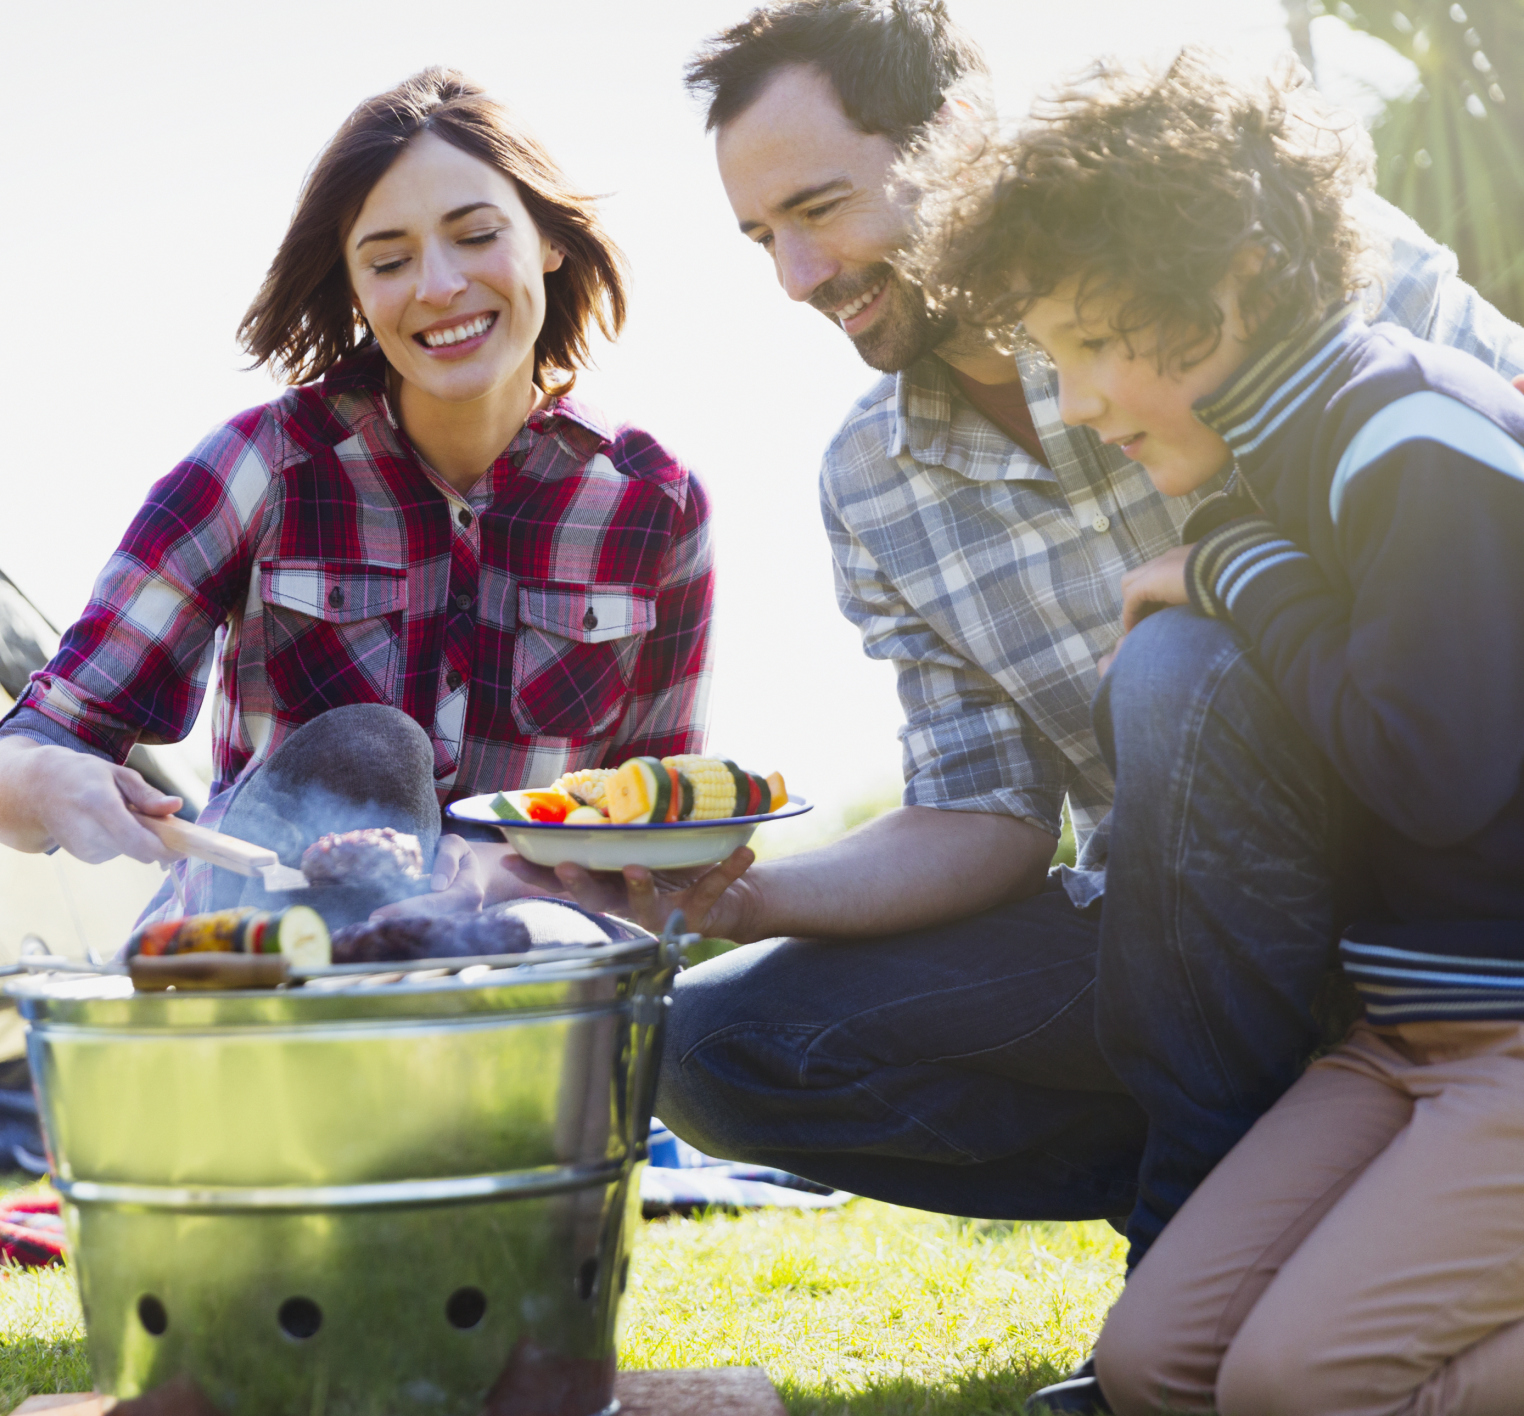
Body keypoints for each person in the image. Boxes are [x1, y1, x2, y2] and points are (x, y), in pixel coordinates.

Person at [525, 5, 1524, 1409]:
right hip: (1197, 950)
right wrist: (730, 898)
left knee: (1178, 673)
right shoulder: (873, 479)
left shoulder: (1267, 274)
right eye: (762, 239)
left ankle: (1206, 1229)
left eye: (819, 208)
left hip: (1448, 908)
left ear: (957, 153)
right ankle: (1260, 1239)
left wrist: (1230, 563)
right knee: (715, 1041)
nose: (800, 274)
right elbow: (985, 817)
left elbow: (1493, 447)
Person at [910, 53, 1524, 1416]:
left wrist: (1235, 563)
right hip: (1403, 1043)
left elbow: (1428, 772)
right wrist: (1243, 544)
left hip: (1515, 1042)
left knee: (1301, 1385)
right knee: (1154, 1365)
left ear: (1235, 279)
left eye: (1087, 342)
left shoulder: (1414, 435)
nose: (1072, 401)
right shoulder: (1298, 462)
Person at [0, 69, 714, 923]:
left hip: (514, 978)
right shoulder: (262, 466)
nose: (437, 286)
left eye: (475, 236)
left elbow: (656, 842)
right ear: (355, 287)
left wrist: (510, 877)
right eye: (390, 260)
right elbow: (14, 765)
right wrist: (53, 775)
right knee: (371, 751)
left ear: (548, 238)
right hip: (265, 962)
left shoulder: (656, 507)